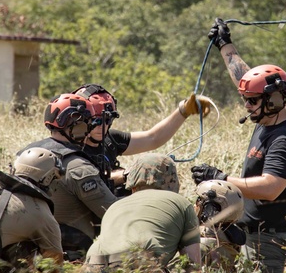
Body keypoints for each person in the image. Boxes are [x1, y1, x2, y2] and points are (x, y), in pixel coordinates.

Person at [190, 18, 286, 273]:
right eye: (245, 99)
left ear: (273, 100)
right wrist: (224, 44)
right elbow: (243, 77)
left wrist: (221, 180)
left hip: (271, 234)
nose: (246, 105)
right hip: (250, 227)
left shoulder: (285, 138)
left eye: (252, 101)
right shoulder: (265, 116)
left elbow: (270, 187)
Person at [18, 93, 120, 260]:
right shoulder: (78, 167)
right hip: (70, 255)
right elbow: (114, 213)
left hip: (27, 251)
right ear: (76, 125)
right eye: (88, 123)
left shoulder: (25, 156)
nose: (90, 129)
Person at [74, 83, 213, 195]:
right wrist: (128, 174)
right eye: (96, 121)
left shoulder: (110, 139)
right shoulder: (67, 145)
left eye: (107, 120)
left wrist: (184, 110)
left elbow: (153, 138)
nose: (102, 126)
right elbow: (84, 183)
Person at [83, 153, 201, 273]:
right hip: (140, 265)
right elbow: (192, 267)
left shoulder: (115, 206)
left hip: (93, 267)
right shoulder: (181, 203)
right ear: (172, 180)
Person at [194, 179, 246, 273]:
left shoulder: (199, 247)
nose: (195, 206)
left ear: (208, 209)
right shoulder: (234, 244)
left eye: (198, 201)